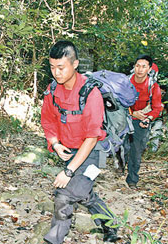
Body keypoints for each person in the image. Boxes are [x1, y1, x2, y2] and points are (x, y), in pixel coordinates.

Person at [40, 40, 118, 243]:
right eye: (52, 67)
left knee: (64, 194)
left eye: (61, 67)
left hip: (93, 153)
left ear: (74, 64)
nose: (56, 73)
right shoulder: (52, 90)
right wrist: (55, 143)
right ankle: (111, 225)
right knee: (83, 194)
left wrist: (68, 171)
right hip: (71, 151)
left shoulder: (90, 93)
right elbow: (47, 120)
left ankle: (53, 239)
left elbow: (92, 137)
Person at [125, 54, 163, 189]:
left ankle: (132, 180)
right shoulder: (126, 82)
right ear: (134, 67)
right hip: (125, 116)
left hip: (141, 119)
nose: (140, 69)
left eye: (143, 67)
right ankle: (119, 165)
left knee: (136, 150)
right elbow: (116, 102)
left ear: (149, 69)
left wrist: (148, 119)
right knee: (121, 146)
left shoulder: (153, 86)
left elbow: (157, 108)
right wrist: (131, 113)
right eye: (137, 66)